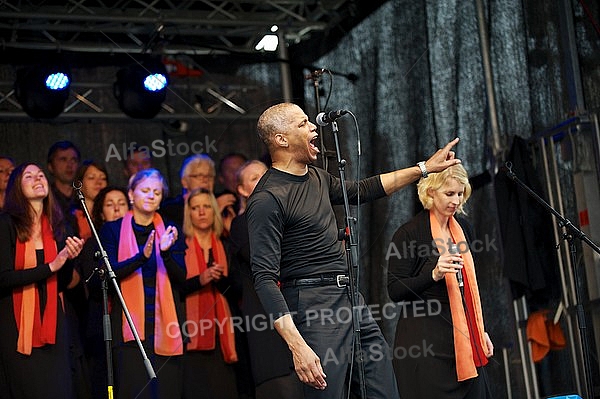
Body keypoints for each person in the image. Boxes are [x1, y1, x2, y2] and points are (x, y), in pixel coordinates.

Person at [246, 102, 460, 398]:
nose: (313, 128)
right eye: (303, 124)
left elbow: (362, 189)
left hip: (349, 299)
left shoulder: (318, 177)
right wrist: (298, 346)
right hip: (312, 306)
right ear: (281, 139)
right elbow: (265, 279)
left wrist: (423, 169)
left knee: (383, 390)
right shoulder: (268, 198)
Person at [387, 164, 494, 398]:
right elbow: (394, 290)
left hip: (465, 339)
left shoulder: (464, 228)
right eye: (449, 193)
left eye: (460, 193)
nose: (456, 200)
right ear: (430, 191)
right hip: (426, 346)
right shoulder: (409, 233)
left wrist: (480, 330)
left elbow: (470, 288)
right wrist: (433, 275)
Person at [99, 169, 187, 399]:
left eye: (157, 192)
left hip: (165, 330)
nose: (151, 196)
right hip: (128, 332)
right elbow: (109, 276)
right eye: (145, 190)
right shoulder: (112, 229)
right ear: (131, 194)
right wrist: (142, 257)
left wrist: (165, 253)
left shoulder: (169, 229)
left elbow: (181, 278)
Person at [0, 163, 84, 398]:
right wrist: (51, 266)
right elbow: (3, 278)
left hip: (55, 324)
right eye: (29, 176)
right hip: (16, 327)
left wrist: (68, 260)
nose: (38, 178)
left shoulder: (59, 226)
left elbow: (63, 281)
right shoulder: (5, 224)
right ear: (16, 187)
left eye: (41, 175)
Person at [229, 160, 303, 399]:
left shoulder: (291, 216)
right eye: (253, 178)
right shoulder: (241, 224)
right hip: (267, 321)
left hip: (301, 311)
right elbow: (265, 258)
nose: (261, 180)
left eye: (264, 174)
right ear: (241, 190)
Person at [181, 188, 239, 399]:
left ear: (214, 210)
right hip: (191, 337)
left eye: (206, 206)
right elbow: (175, 289)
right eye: (196, 208)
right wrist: (200, 280)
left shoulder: (226, 244)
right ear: (189, 214)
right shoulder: (180, 246)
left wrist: (218, 279)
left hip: (225, 334)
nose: (202, 212)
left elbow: (237, 289)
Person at [73, 186, 129, 399]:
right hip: (105, 325)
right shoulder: (92, 245)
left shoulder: (141, 242)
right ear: (99, 212)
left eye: (121, 203)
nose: (116, 208)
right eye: (109, 204)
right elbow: (95, 285)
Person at [161, 154, 237, 234]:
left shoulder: (224, 204)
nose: (205, 180)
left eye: (209, 176)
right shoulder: (170, 209)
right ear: (184, 182)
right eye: (199, 176)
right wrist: (215, 210)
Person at [72, 161, 109, 241]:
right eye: (91, 178)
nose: (99, 182)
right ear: (79, 185)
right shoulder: (71, 217)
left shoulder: (110, 213)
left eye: (103, 178)